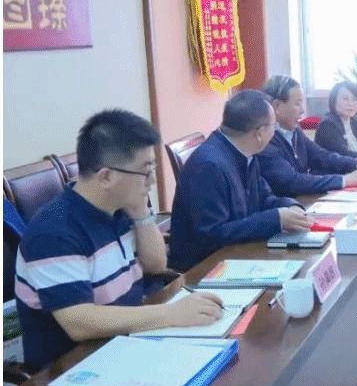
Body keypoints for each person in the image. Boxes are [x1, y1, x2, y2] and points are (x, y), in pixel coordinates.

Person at [15, 110, 223, 370]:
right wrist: (171, 314)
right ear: (106, 177)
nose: (152, 181)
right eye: (145, 172)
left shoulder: (118, 206)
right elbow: (79, 322)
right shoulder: (54, 233)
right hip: (72, 368)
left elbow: (156, 265)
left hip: (126, 342)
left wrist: (141, 214)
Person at [169, 90, 313, 271]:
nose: (275, 131)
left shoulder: (245, 151)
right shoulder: (209, 166)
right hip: (205, 268)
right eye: (273, 125)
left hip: (239, 254)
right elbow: (212, 234)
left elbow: (264, 198)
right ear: (259, 134)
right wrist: (276, 219)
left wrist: (291, 207)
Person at [258, 76, 357, 197]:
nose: (302, 111)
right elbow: (292, 181)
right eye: (297, 103)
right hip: (289, 204)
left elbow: (321, 155)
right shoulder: (265, 139)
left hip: (300, 200)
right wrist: (345, 180)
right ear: (276, 107)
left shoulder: (294, 131)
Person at [314, 80, 357, 159]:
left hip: (353, 165)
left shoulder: (352, 122)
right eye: (345, 99)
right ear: (334, 101)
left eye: (355, 99)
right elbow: (344, 155)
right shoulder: (328, 125)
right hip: (334, 167)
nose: (351, 104)